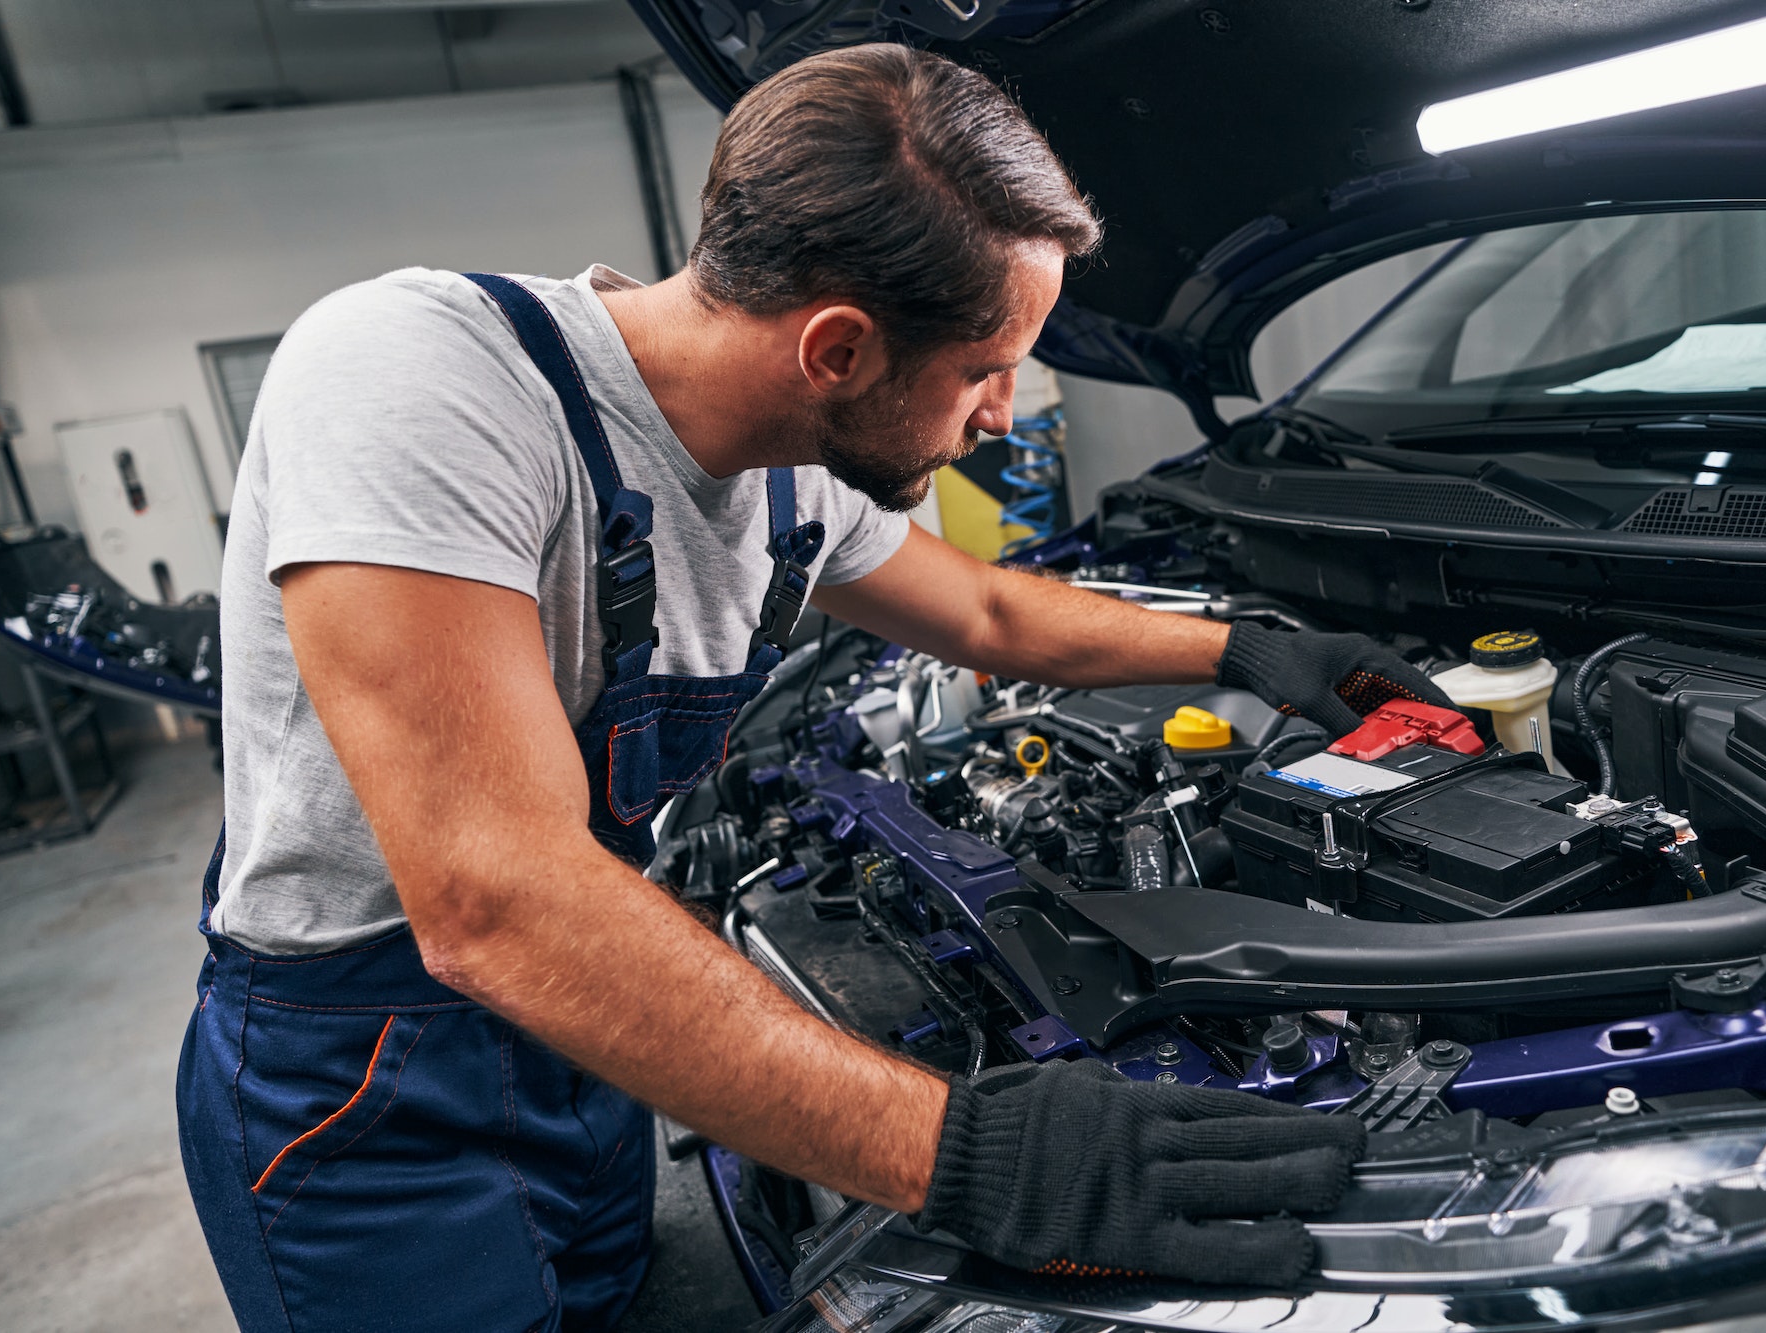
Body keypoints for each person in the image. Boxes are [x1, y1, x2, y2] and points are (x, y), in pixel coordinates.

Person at [176, 44, 1448, 1333]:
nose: (1003, 415)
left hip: (585, 1039)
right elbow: (491, 901)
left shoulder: (795, 471)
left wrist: (1243, 649)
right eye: (982, 369)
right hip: (365, 1088)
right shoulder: (422, 375)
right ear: (838, 348)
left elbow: (994, 611)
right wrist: (975, 1154)